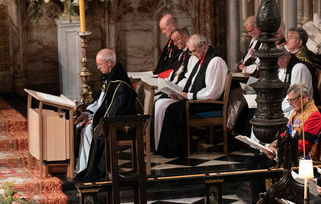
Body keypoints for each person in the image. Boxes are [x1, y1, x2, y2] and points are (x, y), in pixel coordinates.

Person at [245, 84, 321, 204]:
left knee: (262, 166)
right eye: (289, 100)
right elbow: (286, 134)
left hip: (299, 158)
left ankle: (266, 203)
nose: (290, 103)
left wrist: (277, 151)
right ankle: (257, 201)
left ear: (303, 97)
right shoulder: (296, 111)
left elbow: (303, 145)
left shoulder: (313, 116)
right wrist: (273, 145)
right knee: (250, 162)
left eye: (292, 100)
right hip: (285, 153)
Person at [154, 34, 228, 158]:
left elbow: (212, 92)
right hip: (196, 98)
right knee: (163, 103)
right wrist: (178, 92)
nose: (193, 55)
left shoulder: (215, 61)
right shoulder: (199, 60)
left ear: (203, 46)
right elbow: (190, 81)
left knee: (173, 109)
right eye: (191, 52)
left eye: (194, 51)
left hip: (208, 103)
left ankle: (176, 149)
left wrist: (188, 95)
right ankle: (164, 146)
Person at [75, 49, 142, 182]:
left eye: (100, 64)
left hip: (123, 122)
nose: (98, 67)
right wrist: (88, 112)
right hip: (113, 116)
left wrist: (95, 120)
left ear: (109, 63)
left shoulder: (119, 83)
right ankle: (83, 167)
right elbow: (101, 100)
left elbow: (114, 110)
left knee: (89, 129)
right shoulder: (110, 77)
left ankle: (92, 168)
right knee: (80, 126)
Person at [276, 47, 312, 118]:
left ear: (284, 58)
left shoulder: (299, 68)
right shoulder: (285, 67)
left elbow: (296, 97)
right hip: (288, 105)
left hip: (299, 108)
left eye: (276, 61)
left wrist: (277, 108)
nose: (276, 65)